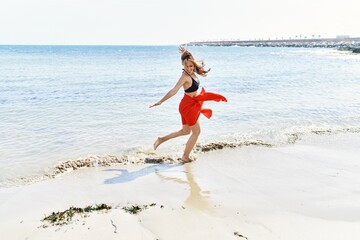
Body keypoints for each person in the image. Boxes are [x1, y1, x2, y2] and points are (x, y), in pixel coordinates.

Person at [149, 47, 227, 163]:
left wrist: (185, 52)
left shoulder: (192, 72)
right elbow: (174, 90)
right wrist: (161, 101)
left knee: (186, 131)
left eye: (191, 66)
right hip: (188, 107)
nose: (190, 69)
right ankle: (185, 156)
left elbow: (192, 64)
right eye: (187, 67)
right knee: (196, 132)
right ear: (183, 65)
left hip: (188, 105)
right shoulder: (184, 77)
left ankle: (161, 139)